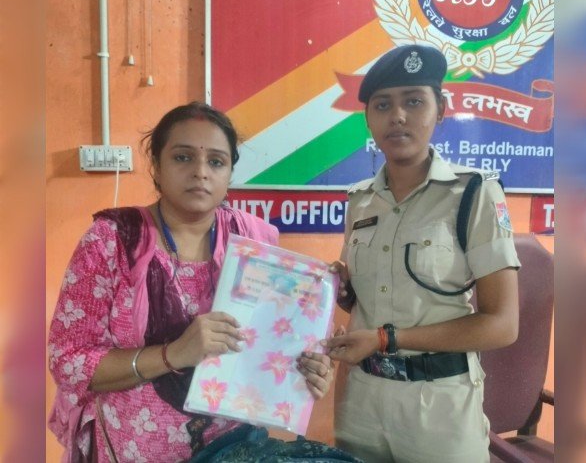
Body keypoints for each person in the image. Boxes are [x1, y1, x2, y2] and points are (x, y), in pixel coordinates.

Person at [48, 102, 360, 463]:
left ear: (229, 173)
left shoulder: (253, 240)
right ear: (157, 166)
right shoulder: (112, 241)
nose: (200, 172)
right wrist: (173, 354)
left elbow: (269, 344)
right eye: (182, 157)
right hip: (133, 450)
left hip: (233, 450)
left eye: (216, 161)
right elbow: (68, 361)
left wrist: (305, 371)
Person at [322, 45, 521, 463]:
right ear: (368, 118)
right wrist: (340, 289)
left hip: (440, 410)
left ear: (440, 110)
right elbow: (373, 299)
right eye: (382, 105)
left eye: (413, 101)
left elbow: (502, 325)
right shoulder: (360, 201)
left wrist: (385, 339)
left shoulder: (474, 194)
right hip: (362, 402)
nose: (397, 116)